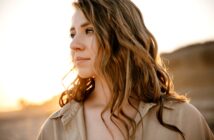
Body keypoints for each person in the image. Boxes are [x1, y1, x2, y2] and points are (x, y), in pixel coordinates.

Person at [37, 0, 214, 140]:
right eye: (73, 33)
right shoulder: (55, 129)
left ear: (123, 34)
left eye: (89, 30)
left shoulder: (184, 120)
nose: (74, 44)